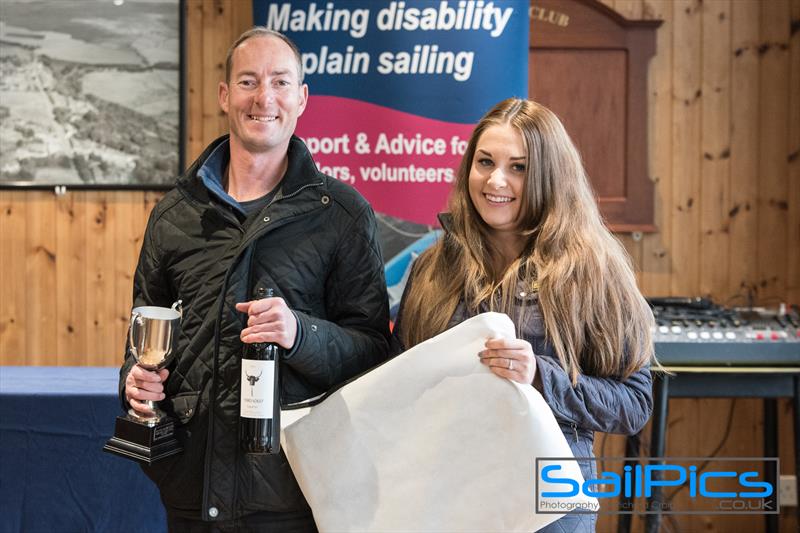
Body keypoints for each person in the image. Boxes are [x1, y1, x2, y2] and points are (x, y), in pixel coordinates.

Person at [119, 28, 391, 531]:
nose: (264, 97)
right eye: (248, 81)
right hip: (191, 489)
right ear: (225, 95)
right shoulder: (174, 215)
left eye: (280, 82)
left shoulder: (343, 215)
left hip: (293, 493)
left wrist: (299, 334)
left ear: (302, 98)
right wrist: (135, 384)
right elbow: (143, 339)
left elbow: (374, 351)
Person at [392, 98, 654, 532]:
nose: (496, 180)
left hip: (547, 507)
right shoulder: (431, 268)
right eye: (485, 161)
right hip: (443, 502)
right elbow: (396, 378)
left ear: (549, 177)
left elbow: (632, 405)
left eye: (519, 167)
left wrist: (540, 375)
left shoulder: (592, 273)